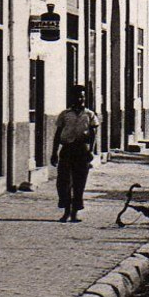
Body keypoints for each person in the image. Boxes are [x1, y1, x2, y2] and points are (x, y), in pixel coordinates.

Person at [51, 87, 99, 222]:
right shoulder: (65, 114)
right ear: (71, 98)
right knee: (64, 182)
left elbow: (93, 134)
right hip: (67, 149)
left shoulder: (89, 115)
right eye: (77, 97)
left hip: (82, 150)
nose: (80, 99)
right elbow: (57, 134)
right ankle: (66, 211)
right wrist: (54, 152)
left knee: (79, 183)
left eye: (82, 97)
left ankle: (74, 213)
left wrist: (91, 151)